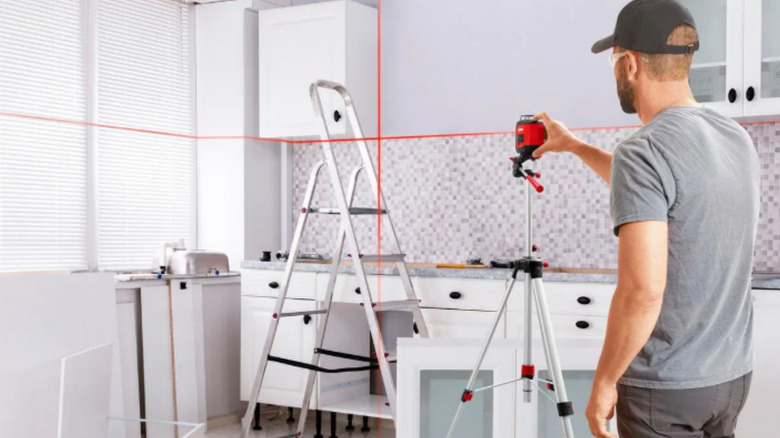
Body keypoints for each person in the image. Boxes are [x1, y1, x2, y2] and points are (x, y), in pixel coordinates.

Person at [531, 0, 760, 437]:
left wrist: (603, 382)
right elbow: (662, 186)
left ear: (631, 64)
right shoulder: (735, 137)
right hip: (729, 378)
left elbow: (642, 292)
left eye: (614, 61)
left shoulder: (644, 150)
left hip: (666, 387)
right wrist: (576, 146)